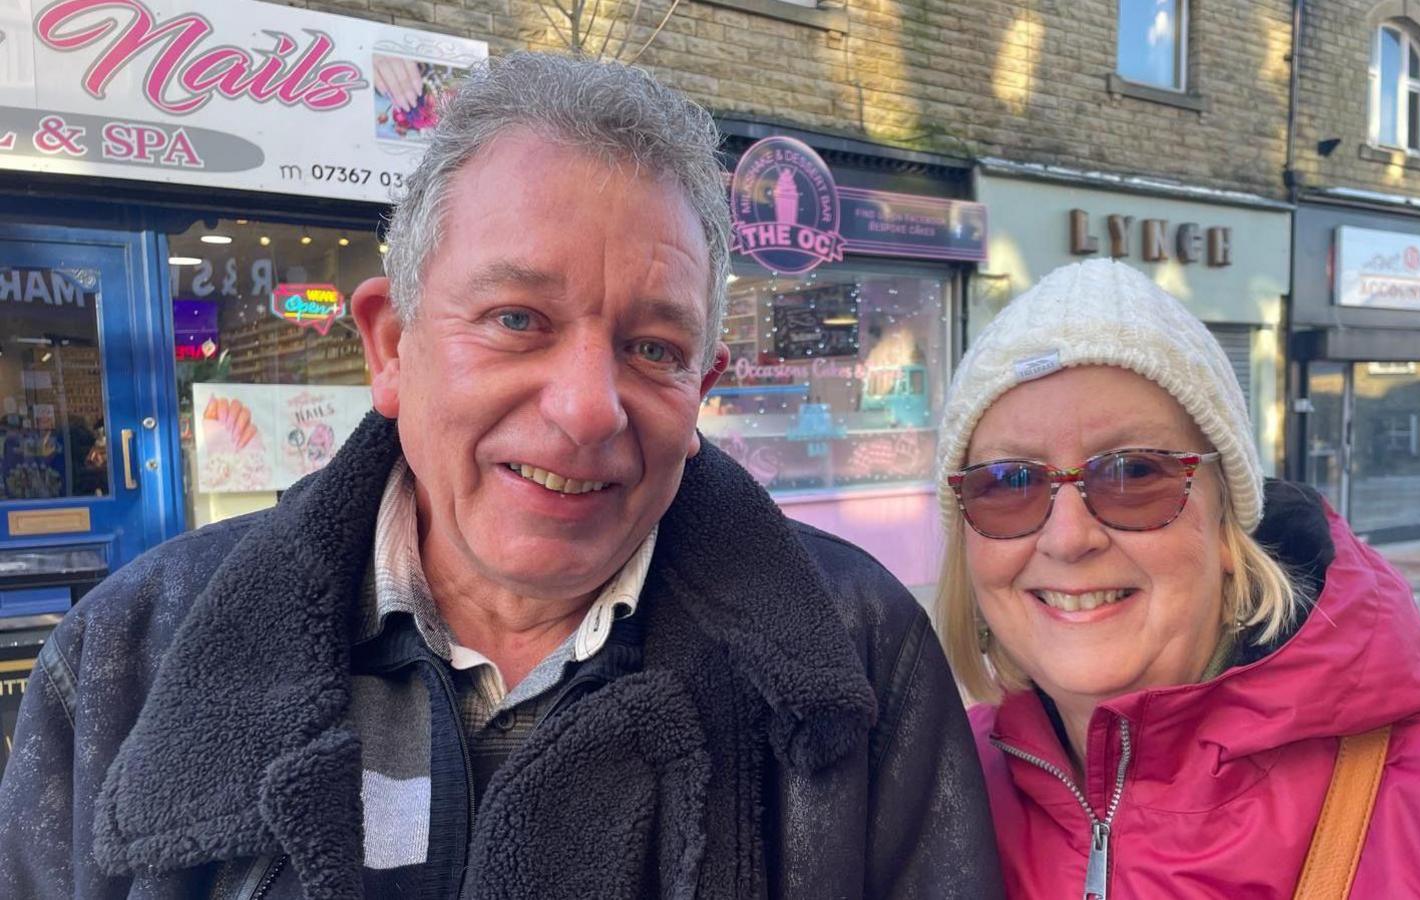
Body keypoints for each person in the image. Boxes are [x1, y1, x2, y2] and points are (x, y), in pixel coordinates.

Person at [0, 53, 1000, 899]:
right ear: (390, 348)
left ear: (705, 387)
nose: (586, 406)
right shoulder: (123, 661)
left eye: (654, 348)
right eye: (517, 320)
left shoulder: (862, 661)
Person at [935, 258, 1420, 898]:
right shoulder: (931, 788)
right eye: (1008, 483)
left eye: (1135, 474)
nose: (1069, 537)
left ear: (1228, 528)